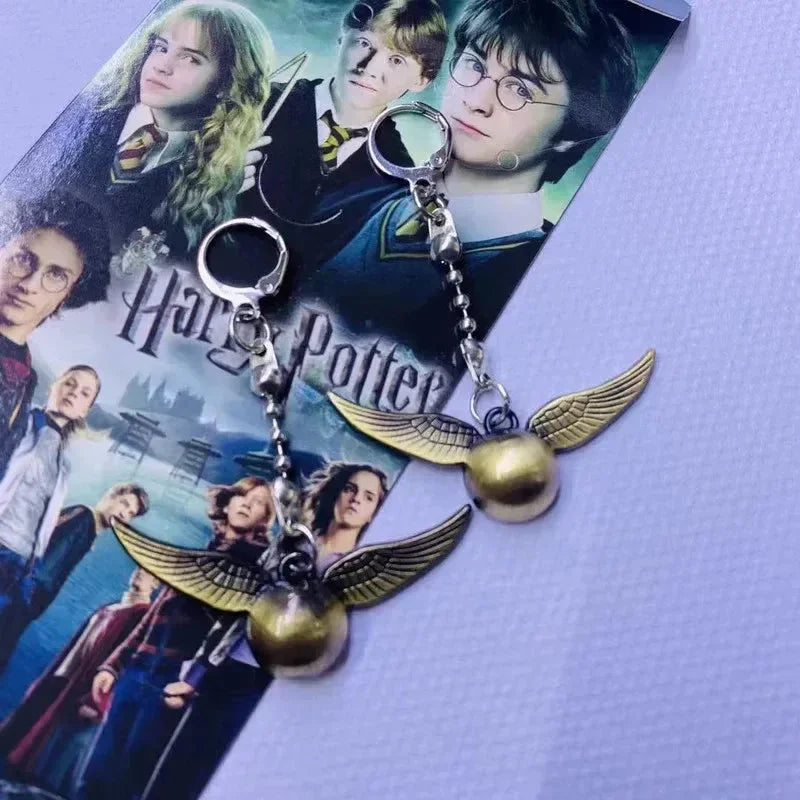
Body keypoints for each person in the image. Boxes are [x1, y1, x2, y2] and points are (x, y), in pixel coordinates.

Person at [298, 0, 638, 366]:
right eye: (474, 65)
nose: (475, 101)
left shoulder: (544, 285)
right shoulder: (358, 193)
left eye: (521, 89)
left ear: (572, 134)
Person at [7, 1, 274, 253]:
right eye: (161, 48)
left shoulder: (215, 177)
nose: (162, 66)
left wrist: (221, 190)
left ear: (227, 83)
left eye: (190, 59)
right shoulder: (82, 113)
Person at [77, 477, 275, 800]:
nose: (247, 504)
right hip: (137, 671)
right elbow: (153, 616)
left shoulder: (254, 568)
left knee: (130, 781)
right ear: (227, 502)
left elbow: (230, 635)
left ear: (264, 520)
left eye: (259, 503)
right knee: (95, 776)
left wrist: (193, 681)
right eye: (242, 495)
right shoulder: (201, 554)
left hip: (172, 682)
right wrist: (113, 665)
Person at [232, 0, 446, 282]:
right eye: (364, 43)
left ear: (422, 79)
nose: (369, 67)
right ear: (342, 37)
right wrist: (214, 182)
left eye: (396, 60)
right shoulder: (255, 105)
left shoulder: (399, 177)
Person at [0, 568, 160, 798]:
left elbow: (125, 663)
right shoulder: (111, 607)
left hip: (85, 691)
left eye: (146, 573)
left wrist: (96, 701)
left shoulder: (141, 617)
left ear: (155, 583)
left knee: (49, 759)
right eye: (138, 570)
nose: (138, 574)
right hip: (64, 678)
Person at [0, 366, 103, 671]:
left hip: (18, 566)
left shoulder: (63, 466)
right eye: (69, 384)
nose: (73, 393)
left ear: (85, 410)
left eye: (84, 393)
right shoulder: (19, 424)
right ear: (54, 387)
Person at [0, 194, 110, 477]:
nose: (30, 284)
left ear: (66, 296)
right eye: (23, 259)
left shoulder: (26, 378)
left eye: (56, 275)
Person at [302, 461, 388, 563]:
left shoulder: (357, 564)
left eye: (368, 498)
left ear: (374, 514)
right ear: (336, 493)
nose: (356, 498)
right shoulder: (300, 538)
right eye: (349, 489)